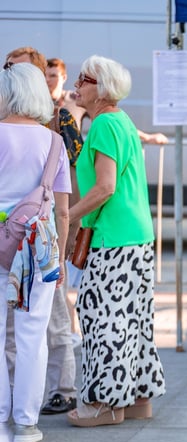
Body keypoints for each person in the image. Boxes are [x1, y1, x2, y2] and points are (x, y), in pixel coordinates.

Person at [66, 55, 165, 428]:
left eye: (84, 79)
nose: (76, 85)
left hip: (114, 238)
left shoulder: (104, 124)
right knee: (133, 318)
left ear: (102, 88)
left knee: (102, 319)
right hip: (136, 235)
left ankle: (104, 403)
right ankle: (138, 396)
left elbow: (105, 187)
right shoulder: (121, 120)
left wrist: (67, 216)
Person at [3, 49, 82, 416]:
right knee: (33, 335)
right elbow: (62, 208)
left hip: (10, 245)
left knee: (19, 334)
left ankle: (8, 409)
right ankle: (25, 418)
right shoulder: (51, 139)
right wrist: (61, 253)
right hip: (39, 246)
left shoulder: (52, 123)